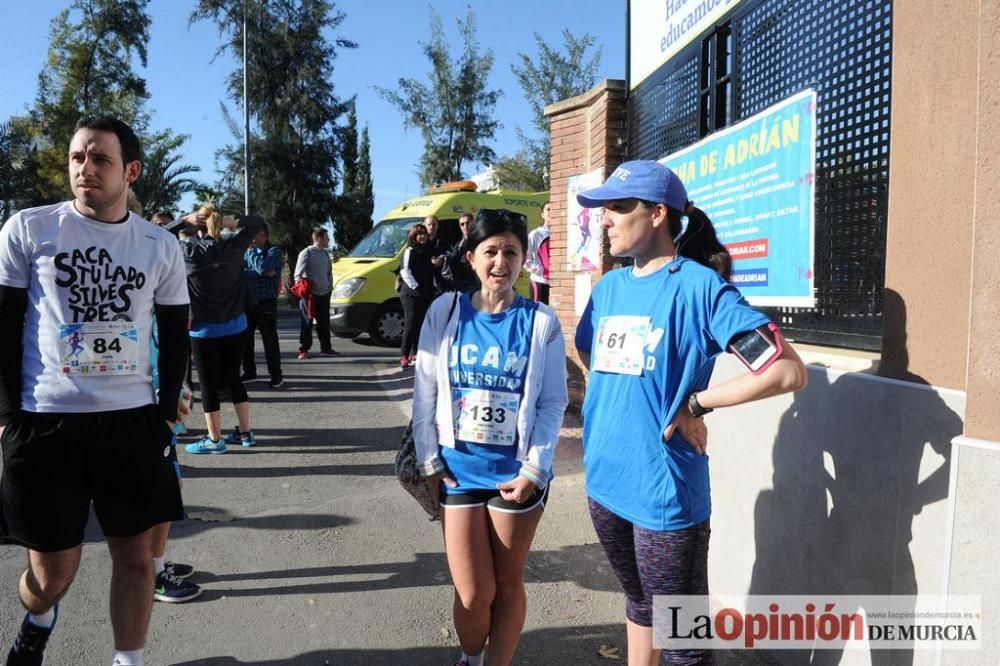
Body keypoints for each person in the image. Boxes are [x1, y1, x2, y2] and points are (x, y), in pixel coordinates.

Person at [573, 160, 809, 665]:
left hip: (664, 493)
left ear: (658, 214)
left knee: (683, 639)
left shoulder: (700, 288)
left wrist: (697, 403)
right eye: (603, 210)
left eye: (617, 208)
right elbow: (591, 353)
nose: (605, 220)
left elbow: (788, 370)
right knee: (639, 604)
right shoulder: (609, 288)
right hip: (606, 482)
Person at [0, 115, 190, 666]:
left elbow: (176, 336)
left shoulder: (159, 245)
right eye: (78, 157)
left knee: (136, 557)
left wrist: (165, 416)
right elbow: (4, 327)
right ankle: (38, 615)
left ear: (130, 171)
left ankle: (127, 660)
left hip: (130, 422)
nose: (86, 168)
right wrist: (7, 417)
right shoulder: (29, 229)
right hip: (44, 421)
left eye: (100, 158)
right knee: (51, 573)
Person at [413, 209, 569, 666]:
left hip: (515, 475)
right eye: (491, 252)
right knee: (473, 591)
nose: (501, 262)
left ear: (523, 259)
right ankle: (470, 656)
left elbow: (551, 403)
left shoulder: (542, 322)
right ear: (471, 257)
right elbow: (426, 388)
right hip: (458, 471)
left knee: (507, 584)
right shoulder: (446, 310)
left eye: (511, 252)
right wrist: (429, 460)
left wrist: (535, 469)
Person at [180, 204, 263, 454]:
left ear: (199, 225)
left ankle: (215, 440)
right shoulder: (235, 248)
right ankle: (245, 433)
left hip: (203, 330)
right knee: (234, 378)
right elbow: (257, 222)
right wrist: (231, 221)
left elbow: (159, 231)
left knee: (207, 385)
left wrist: (185, 219)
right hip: (236, 325)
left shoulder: (189, 251)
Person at [241, 223, 285, 388]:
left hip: (266, 302)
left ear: (263, 235)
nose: (250, 239)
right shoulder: (246, 253)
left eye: (253, 234)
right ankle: (249, 372)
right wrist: (260, 273)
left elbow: (263, 267)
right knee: (246, 339)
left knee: (269, 340)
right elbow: (239, 271)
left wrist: (256, 262)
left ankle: (276, 375)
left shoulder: (274, 251)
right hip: (247, 302)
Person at [293, 228, 338, 360]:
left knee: (324, 323)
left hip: (325, 294)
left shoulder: (325, 254)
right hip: (310, 296)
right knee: (307, 322)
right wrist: (305, 289)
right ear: (319, 238)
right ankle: (304, 350)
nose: (329, 240)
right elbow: (297, 275)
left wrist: (330, 286)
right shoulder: (306, 253)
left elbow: (329, 272)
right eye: (326, 237)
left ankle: (326, 348)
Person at [398, 223, 436, 370]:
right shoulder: (409, 251)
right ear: (413, 236)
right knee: (410, 324)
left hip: (425, 293)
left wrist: (431, 287)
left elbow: (428, 272)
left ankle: (416, 353)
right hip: (410, 294)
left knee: (420, 324)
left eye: (424, 234)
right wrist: (416, 287)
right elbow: (405, 271)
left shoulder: (426, 252)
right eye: (419, 234)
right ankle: (404, 356)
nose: (422, 236)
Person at [442, 212, 479, 294]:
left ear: (474, 223)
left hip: (472, 284)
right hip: (459, 284)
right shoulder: (459, 243)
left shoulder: (478, 242)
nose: (465, 226)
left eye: (468, 223)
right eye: (462, 224)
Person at [524, 201, 552, 304]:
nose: (551, 212)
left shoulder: (561, 234)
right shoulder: (535, 234)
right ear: (542, 214)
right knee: (538, 314)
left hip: (556, 283)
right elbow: (525, 258)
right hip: (539, 282)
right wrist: (540, 270)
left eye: (554, 209)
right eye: (548, 209)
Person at [422, 214, 450, 294]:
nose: (431, 227)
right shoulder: (420, 241)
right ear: (425, 225)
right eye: (429, 225)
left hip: (441, 280)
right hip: (425, 280)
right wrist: (429, 261)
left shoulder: (443, 239)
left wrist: (443, 258)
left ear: (437, 226)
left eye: (434, 224)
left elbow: (450, 253)